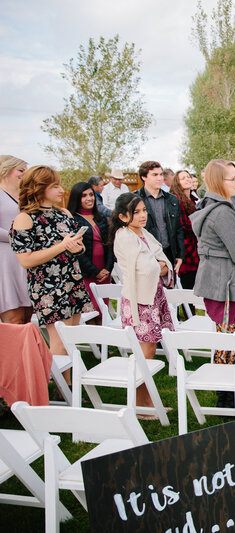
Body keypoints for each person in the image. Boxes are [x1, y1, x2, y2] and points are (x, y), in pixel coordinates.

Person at [191, 159, 235, 409]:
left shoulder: (212, 205)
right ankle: (228, 397)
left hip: (219, 281)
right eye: (232, 178)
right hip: (231, 284)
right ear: (218, 182)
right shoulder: (222, 211)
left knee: (226, 339)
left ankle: (225, 393)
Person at [10, 166, 93, 356]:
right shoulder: (24, 219)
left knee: (71, 340)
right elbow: (26, 260)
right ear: (39, 189)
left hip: (72, 280)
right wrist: (62, 246)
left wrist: (77, 247)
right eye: (55, 186)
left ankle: (68, 383)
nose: (61, 190)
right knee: (60, 343)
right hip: (48, 288)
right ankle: (56, 384)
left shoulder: (64, 214)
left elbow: (80, 248)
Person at [110, 192, 174, 418]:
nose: (142, 215)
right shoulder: (124, 235)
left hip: (153, 296)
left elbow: (162, 259)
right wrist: (160, 266)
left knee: (151, 348)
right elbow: (147, 268)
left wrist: (160, 265)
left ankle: (146, 401)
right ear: (123, 216)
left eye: (144, 210)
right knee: (144, 351)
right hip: (140, 300)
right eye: (136, 212)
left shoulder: (144, 233)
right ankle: (140, 403)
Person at [67, 182, 114, 316]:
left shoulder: (101, 218)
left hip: (104, 272)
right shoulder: (72, 220)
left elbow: (110, 244)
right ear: (77, 198)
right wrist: (95, 271)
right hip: (87, 274)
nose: (89, 198)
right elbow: (77, 252)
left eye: (91, 195)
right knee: (89, 312)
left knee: (103, 312)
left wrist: (107, 268)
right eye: (84, 196)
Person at [134, 161, 185, 276]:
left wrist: (180, 255)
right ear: (143, 177)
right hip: (146, 254)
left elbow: (178, 229)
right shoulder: (134, 199)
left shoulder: (172, 200)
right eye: (154, 175)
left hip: (168, 251)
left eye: (161, 174)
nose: (159, 178)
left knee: (170, 291)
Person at [0, 155, 33, 324]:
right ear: (5, 170)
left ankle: (24, 350)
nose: (24, 174)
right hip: (5, 260)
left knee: (28, 314)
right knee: (13, 316)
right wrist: (19, 238)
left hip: (26, 259)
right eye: (20, 170)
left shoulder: (25, 196)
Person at [169, 170, 200, 289]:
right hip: (186, 247)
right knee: (187, 284)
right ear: (177, 182)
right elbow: (183, 225)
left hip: (196, 245)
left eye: (188, 177)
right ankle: (187, 307)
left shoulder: (193, 199)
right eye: (183, 178)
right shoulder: (176, 200)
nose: (187, 179)